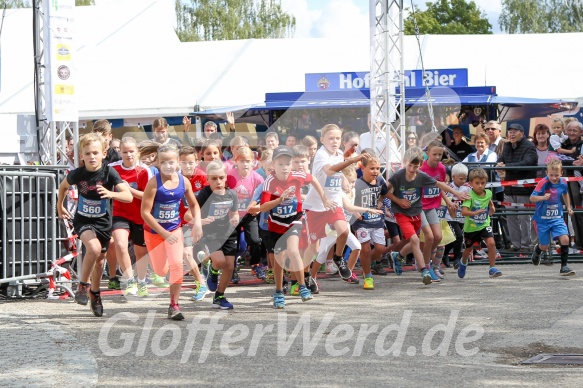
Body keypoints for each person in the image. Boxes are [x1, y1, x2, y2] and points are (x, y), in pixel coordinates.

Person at [57, 133, 132, 317]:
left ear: (104, 154)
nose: (92, 157)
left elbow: (128, 196)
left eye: (95, 153)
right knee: (93, 248)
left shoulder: (109, 173)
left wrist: (111, 194)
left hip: (103, 222)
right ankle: (83, 286)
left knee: (99, 261)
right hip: (83, 220)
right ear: (81, 155)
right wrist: (59, 206)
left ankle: (95, 294)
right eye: (87, 153)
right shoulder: (78, 173)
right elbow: (63, 187)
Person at [260, 146, 334, 308]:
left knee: (293, 251)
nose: (284, 167)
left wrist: (325, 199)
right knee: (279, 259)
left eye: (288, 164)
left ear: (292, 164)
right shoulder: (270, 181)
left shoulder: (298, 176)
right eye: (280, 164)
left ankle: (302, 286)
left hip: (294, 220)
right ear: (273, 165)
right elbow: (263, 207)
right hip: (276, 224)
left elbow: (313, 179)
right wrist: (279, 200)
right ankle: (279, 291)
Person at [388, 147, 469, 285]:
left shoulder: (432, 171)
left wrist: (456, 195)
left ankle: (401, 256)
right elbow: (385, 190)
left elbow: (439, 185)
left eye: (440, 154)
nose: (413, 169)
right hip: (415, 209)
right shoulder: (400, 175)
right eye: (410, 166)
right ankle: (426, 267)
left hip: (427, 207)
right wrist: (397, 201)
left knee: (435, 237)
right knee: (424, 238)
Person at [141, 144, 203, 320]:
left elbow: (194, 204)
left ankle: (174, 305)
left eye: (171, 162)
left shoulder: (184, 181)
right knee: (161, 271)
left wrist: (197, 222)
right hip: (154, 232)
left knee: (177, 266)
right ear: (158, 164)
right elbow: (144, 213)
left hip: (174, 229)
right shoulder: (154, 183)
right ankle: (163, 268)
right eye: (163, 162)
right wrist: (162, 233)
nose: (168, 166)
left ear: (178, 162)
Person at [303, 124, 367, 281]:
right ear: (322, 139)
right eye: (331, 138)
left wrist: (344, 178)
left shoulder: (339, 153)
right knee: (314, 248)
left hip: (334, 203)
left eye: (337, 138)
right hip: (316, 206)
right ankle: (305, 277)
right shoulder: (321, 155)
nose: (334, 141)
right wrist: (353, 160)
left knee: (344, 231)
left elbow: (338, 171)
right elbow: (330, 170)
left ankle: (338, 258)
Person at [109, 137, 152, 297]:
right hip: (119, 213)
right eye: (125, 151)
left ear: (137, 152)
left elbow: (147, 197)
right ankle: (129, 280)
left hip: (140, 215)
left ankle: (141, 281)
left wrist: (129, 191)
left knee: (141, 252)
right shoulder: (112, 168)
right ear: (120, 152)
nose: (128, 155)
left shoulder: (144, 170)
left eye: (131, 151)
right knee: (120, 244)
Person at [196, 161, 239, 310]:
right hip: (210, 233)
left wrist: (235, 218)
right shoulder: (204, 194)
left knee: (229, 266)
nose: (218, 182)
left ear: (226, 177)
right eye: (214, 179)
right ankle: (213, 271)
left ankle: (219, 296)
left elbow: (234, 212)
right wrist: (201, 221)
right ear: (207, 179)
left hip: (228, 233)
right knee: (220, 262)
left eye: (221, 177)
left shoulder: (232, 194)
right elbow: (190, 214)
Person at [496, 123, 538, 252]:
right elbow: (501, 160)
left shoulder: (530, 146)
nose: (511, 134)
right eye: (510, 131)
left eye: (515, 131)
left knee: (524, 217)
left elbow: (527, 163)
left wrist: (506, 166)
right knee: (510, 216)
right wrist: (500, 164)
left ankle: (526, 245)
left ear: (522, 133)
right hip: (509, 187)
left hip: (524, 188)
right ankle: (516, 245)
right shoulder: (507, 146)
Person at [530, 159, 575, 276]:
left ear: (561, 173)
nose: (554, 178)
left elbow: (565, 193)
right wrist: (543, 197)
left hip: (557, 217)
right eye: (551, 175)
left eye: (556, 175)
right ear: (546, 173)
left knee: (565, 238)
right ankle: (538, 249)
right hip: (542, 219)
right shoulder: (543, 183)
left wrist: (569, 207)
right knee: (544, 246)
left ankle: (564, 267)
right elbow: (532, 198)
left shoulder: (563, 182)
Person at [351, 154, 388, 290]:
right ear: (363, 168)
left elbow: (384, 192)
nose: (375, 171)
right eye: (372, 168)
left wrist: (380, 201)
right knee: (365, 249)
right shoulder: (357, 184)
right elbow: (350, 200)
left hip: (377, 220)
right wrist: (355, 213)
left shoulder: (380, 181)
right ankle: (368, 276)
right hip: (361, 221)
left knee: (380, 248)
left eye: (378, 168)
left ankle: (365, 264)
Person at [177, 146, 210, 301]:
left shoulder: (203, 178)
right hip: (183, 224)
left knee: (206, 255)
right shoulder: (175, 179)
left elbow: (210, 201)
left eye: (191, 162)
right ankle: (201, 284)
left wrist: (201, 221)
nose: (187, 166)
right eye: (184, 162)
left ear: (197, 161)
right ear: (178, 162)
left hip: (204, 223)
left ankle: (207, 264)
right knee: (186, 254)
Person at [227, 146, 265, 280]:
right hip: (232, 214)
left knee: (255, 240)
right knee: (233, 244)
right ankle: (231, 270)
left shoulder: (257, 178)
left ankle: (255, 264)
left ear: (253, 162)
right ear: (236, 161)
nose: (245, 164)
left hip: (249, 215)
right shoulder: (230, 175)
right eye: (241, 161)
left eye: (247, 161)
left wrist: (258, 207)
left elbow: (264, 196)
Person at [457, 168, 502, 279]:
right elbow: (464, 212)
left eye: (483, 183)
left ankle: (492, 268)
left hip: (484, 225)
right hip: (471, 228)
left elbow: (489, 205)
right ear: (471, 183)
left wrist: (492, 208)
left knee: (491, 243)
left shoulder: (489, 193)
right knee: (468, 250)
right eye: (477, 183)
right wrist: (475, 212)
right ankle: (463, 263)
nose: (480, 186)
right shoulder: (469, 195)